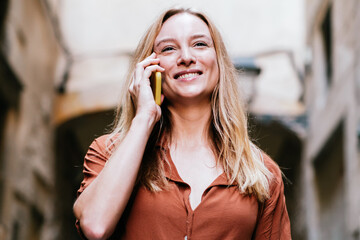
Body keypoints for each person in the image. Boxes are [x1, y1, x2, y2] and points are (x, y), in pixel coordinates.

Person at [73, 7, 291, 240]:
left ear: (218, 62)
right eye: (168, 48)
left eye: (200, 44)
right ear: (149, 69)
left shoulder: (262, 173)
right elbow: (95, 227)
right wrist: (144, 118)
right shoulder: (108, 153)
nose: (186, 57)